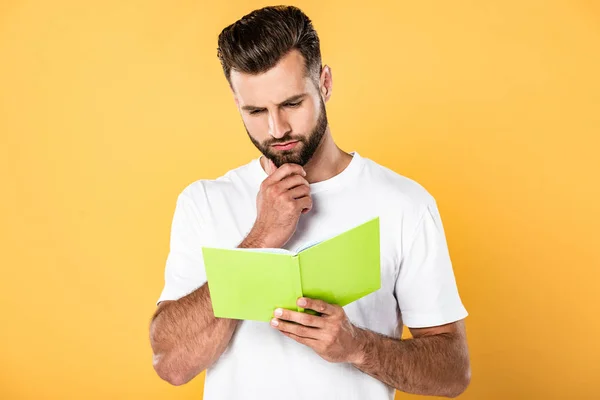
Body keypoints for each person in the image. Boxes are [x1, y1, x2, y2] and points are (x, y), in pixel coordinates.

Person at [149, 5, 470, 400]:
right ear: (236, 103)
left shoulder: (404, 204)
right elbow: (171, 363)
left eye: (291, 104)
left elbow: (453, 372)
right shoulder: (204, 202)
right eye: (255, 111)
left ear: (325, 83)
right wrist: (261, 238)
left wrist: (357, 346)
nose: (276, 128)